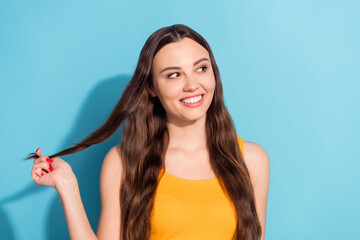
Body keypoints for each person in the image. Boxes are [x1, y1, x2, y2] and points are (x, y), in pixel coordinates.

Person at [25, 24, 270, 240]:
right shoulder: (123, 162)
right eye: (174, 74)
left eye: (201, 68)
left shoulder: (252, 160)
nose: (192, 84)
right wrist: (67, 186)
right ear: (152, 87)